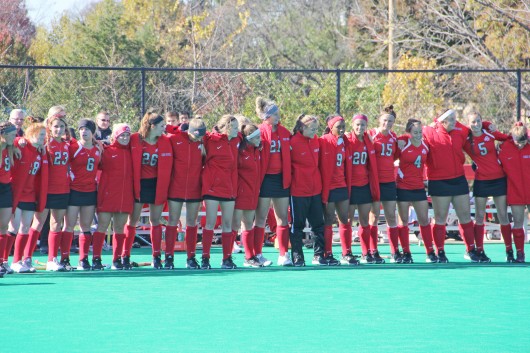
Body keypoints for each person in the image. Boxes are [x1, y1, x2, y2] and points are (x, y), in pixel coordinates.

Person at [422, 109, 477, 263]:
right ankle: (439, 251)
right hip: (438, 181)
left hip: (458, 179)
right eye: (451, 119)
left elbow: (475, 128)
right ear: (442, 121)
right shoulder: (428, 131)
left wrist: (486, 125)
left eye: (455, 118)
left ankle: (470, 249)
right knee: (440, 218)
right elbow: (414, 134)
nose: (455, 122)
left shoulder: (460, 130)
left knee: (465, 216)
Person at [290, 114, 338, 266]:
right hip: (298, 190)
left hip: (315, 189)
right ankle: (297, 256)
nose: (314, 132)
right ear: (302, 128)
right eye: (311, 129)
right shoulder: (292, 142)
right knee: (297, 225)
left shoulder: (317, 140)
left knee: (318, 224)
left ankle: (318, 255)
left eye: (316, 129)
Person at [127, 112, 172, 269]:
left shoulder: (165, 141)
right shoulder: (135, 139)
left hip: (157, 184)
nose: (164, 129)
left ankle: (156, 256)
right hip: (139, 184)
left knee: (155, 220)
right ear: (152, 126)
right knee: (133, 220)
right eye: (161, 126)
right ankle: (125, 254)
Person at [29, 106, 72, 271]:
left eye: (61, 126)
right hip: (46, 189)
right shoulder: (45, 142)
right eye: (55, 126)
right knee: (38, 223)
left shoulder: (68, 144)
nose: (59, 129)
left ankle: (52, 259)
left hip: (62, 189)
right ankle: (26, 258)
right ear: (49, 126)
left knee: (56, 224)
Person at [464, 112, 510, 263]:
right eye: (473, 122)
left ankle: (509, 250)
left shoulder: (489, 133)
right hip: (481, 181)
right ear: (468, 124)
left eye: (478, 121)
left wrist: (486, 124)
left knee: (503, 216)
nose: (476, 124)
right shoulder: (467, 140)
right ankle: (479, 250)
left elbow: (506, 138)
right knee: (479, 217)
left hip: (498, 179)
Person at [254, 97, 292, 266]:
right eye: (274, 114)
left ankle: (283, 254)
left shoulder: (285, 132)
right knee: (261, 218)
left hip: (280, 179)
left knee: (282, 218)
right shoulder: (259, 131)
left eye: (277, 113)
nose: (277, 116)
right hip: (264, 179)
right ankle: (257, 254)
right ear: (266, 116)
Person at [201, 115, 241, 269]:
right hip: (212, 187)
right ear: (226, 127)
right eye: (235, 127)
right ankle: (205, 258)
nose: (237, 131)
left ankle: (227, 258)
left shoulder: (237, 141)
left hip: (229, 187)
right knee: (210, 223)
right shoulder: (210, 140)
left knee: (227, 224)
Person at [8, 123, 48, 273]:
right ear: (31, 134)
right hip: (17, 193)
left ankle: (19, 260)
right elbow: (9, 142)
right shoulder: (22, 145)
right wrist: (18, 141)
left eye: (44, 135)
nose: (43, 138)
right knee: (14, 227)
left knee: (25, 227)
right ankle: (5, 260)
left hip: (30, 195)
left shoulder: (40, 151)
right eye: (41, 134)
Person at [63, 119, 102, 270]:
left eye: (87, 129)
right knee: (69, 225)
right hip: (74, 190)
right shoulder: (73, 146)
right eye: (81, 129)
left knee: (86, 226)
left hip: (90, 190)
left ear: (93, 132)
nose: (84, 132)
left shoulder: (99, 148)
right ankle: (65, 258)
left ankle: (83, 259)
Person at [319, 115, 359, 265]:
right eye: (338, 127)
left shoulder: (345, 142)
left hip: (342, 185)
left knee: (345, 219)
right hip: (328, 187)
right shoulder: (323, 141)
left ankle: (346, 252)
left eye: (343, 126)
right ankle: (327, 252)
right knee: (328, 219)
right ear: (331, 127)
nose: (342, 130)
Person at [167, 118, 206, 269]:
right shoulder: (174, 139)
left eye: (200, 136)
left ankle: (191, 257)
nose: (198, 139)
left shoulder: (203, 142)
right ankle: (169, 256)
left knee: (192, 223)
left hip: (194, 188)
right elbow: (166, 129)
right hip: (176, 187)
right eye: (196, 136)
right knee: (172, 221)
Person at [396, 119, 436, 263]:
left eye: (420, 132)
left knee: (424, 220)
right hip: (403, 186)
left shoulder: (426, 145)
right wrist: (401, 139)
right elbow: (394, 139)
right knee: (404, 221)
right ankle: (406, 252)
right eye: (415, 132)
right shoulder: (404, 143)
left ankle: (430, 252)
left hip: (418, 187)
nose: (418, 135)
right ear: (409, 133)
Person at [95, 123, 134, 270]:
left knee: (119, 228)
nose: (124, 138)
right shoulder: (106, 150)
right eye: (121, 135)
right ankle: (96, 258)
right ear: (114, 136)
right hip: (107, 194)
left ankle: (117, 259)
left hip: (125, 196)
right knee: (102, 226)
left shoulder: (132, 152)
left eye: (127, 135)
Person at [346, 114, 381, 263]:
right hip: (350, 185)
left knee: (364, 221)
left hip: (364, 185)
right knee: (347, 220)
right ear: (352, 125)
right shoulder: (347, 140)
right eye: (357, 125)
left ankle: (366, 252)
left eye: (363, 125)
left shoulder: (369, 141)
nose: (360, 128)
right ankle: (347, 252)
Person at [232, 122, 268, 267]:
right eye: (257, 136)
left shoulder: (256, 150)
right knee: (235, 225)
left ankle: (249, 257)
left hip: (252, 192)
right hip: (240, 193)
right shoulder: (239, 151)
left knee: (248, 224)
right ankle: (227, 257)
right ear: (249, 138)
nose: (260, 138)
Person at [368, 106, 399, 263]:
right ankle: (373, 251)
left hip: (388, 181)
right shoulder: (371, 135)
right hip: (374, 181)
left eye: (391, 121)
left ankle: (395, 251)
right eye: (385, 120)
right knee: (373, 217)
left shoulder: (393, 137)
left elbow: (395, 156)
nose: (387, 123)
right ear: (379, 120)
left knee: (391, 216)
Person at [498, 122, 530, 263]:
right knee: (517, 223)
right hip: (515, 190)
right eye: (517, 143)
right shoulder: (504, 147)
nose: (520, 146)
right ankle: (520, 253)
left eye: (523, 142)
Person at [0, 122, 17, 276]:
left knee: (3, 226)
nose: (14, 138)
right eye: (12, 135)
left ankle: (1, 261)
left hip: (6, 188)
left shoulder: (10, 149)